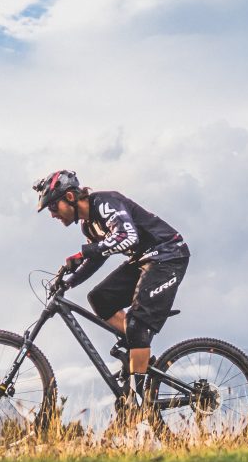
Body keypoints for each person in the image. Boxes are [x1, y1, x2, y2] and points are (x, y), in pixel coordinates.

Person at [33, 170, 190, 404]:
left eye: (53, 208)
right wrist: (68, 282)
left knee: (137, 325)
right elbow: (96, 259)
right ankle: (140, 354)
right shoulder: (89, 226)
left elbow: (128, 238)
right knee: (100, 299)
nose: (52, 215)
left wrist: (82, 253)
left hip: (168, 256)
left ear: (70, 197)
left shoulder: (106, 203)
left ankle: (138, 405)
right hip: (144, 260)